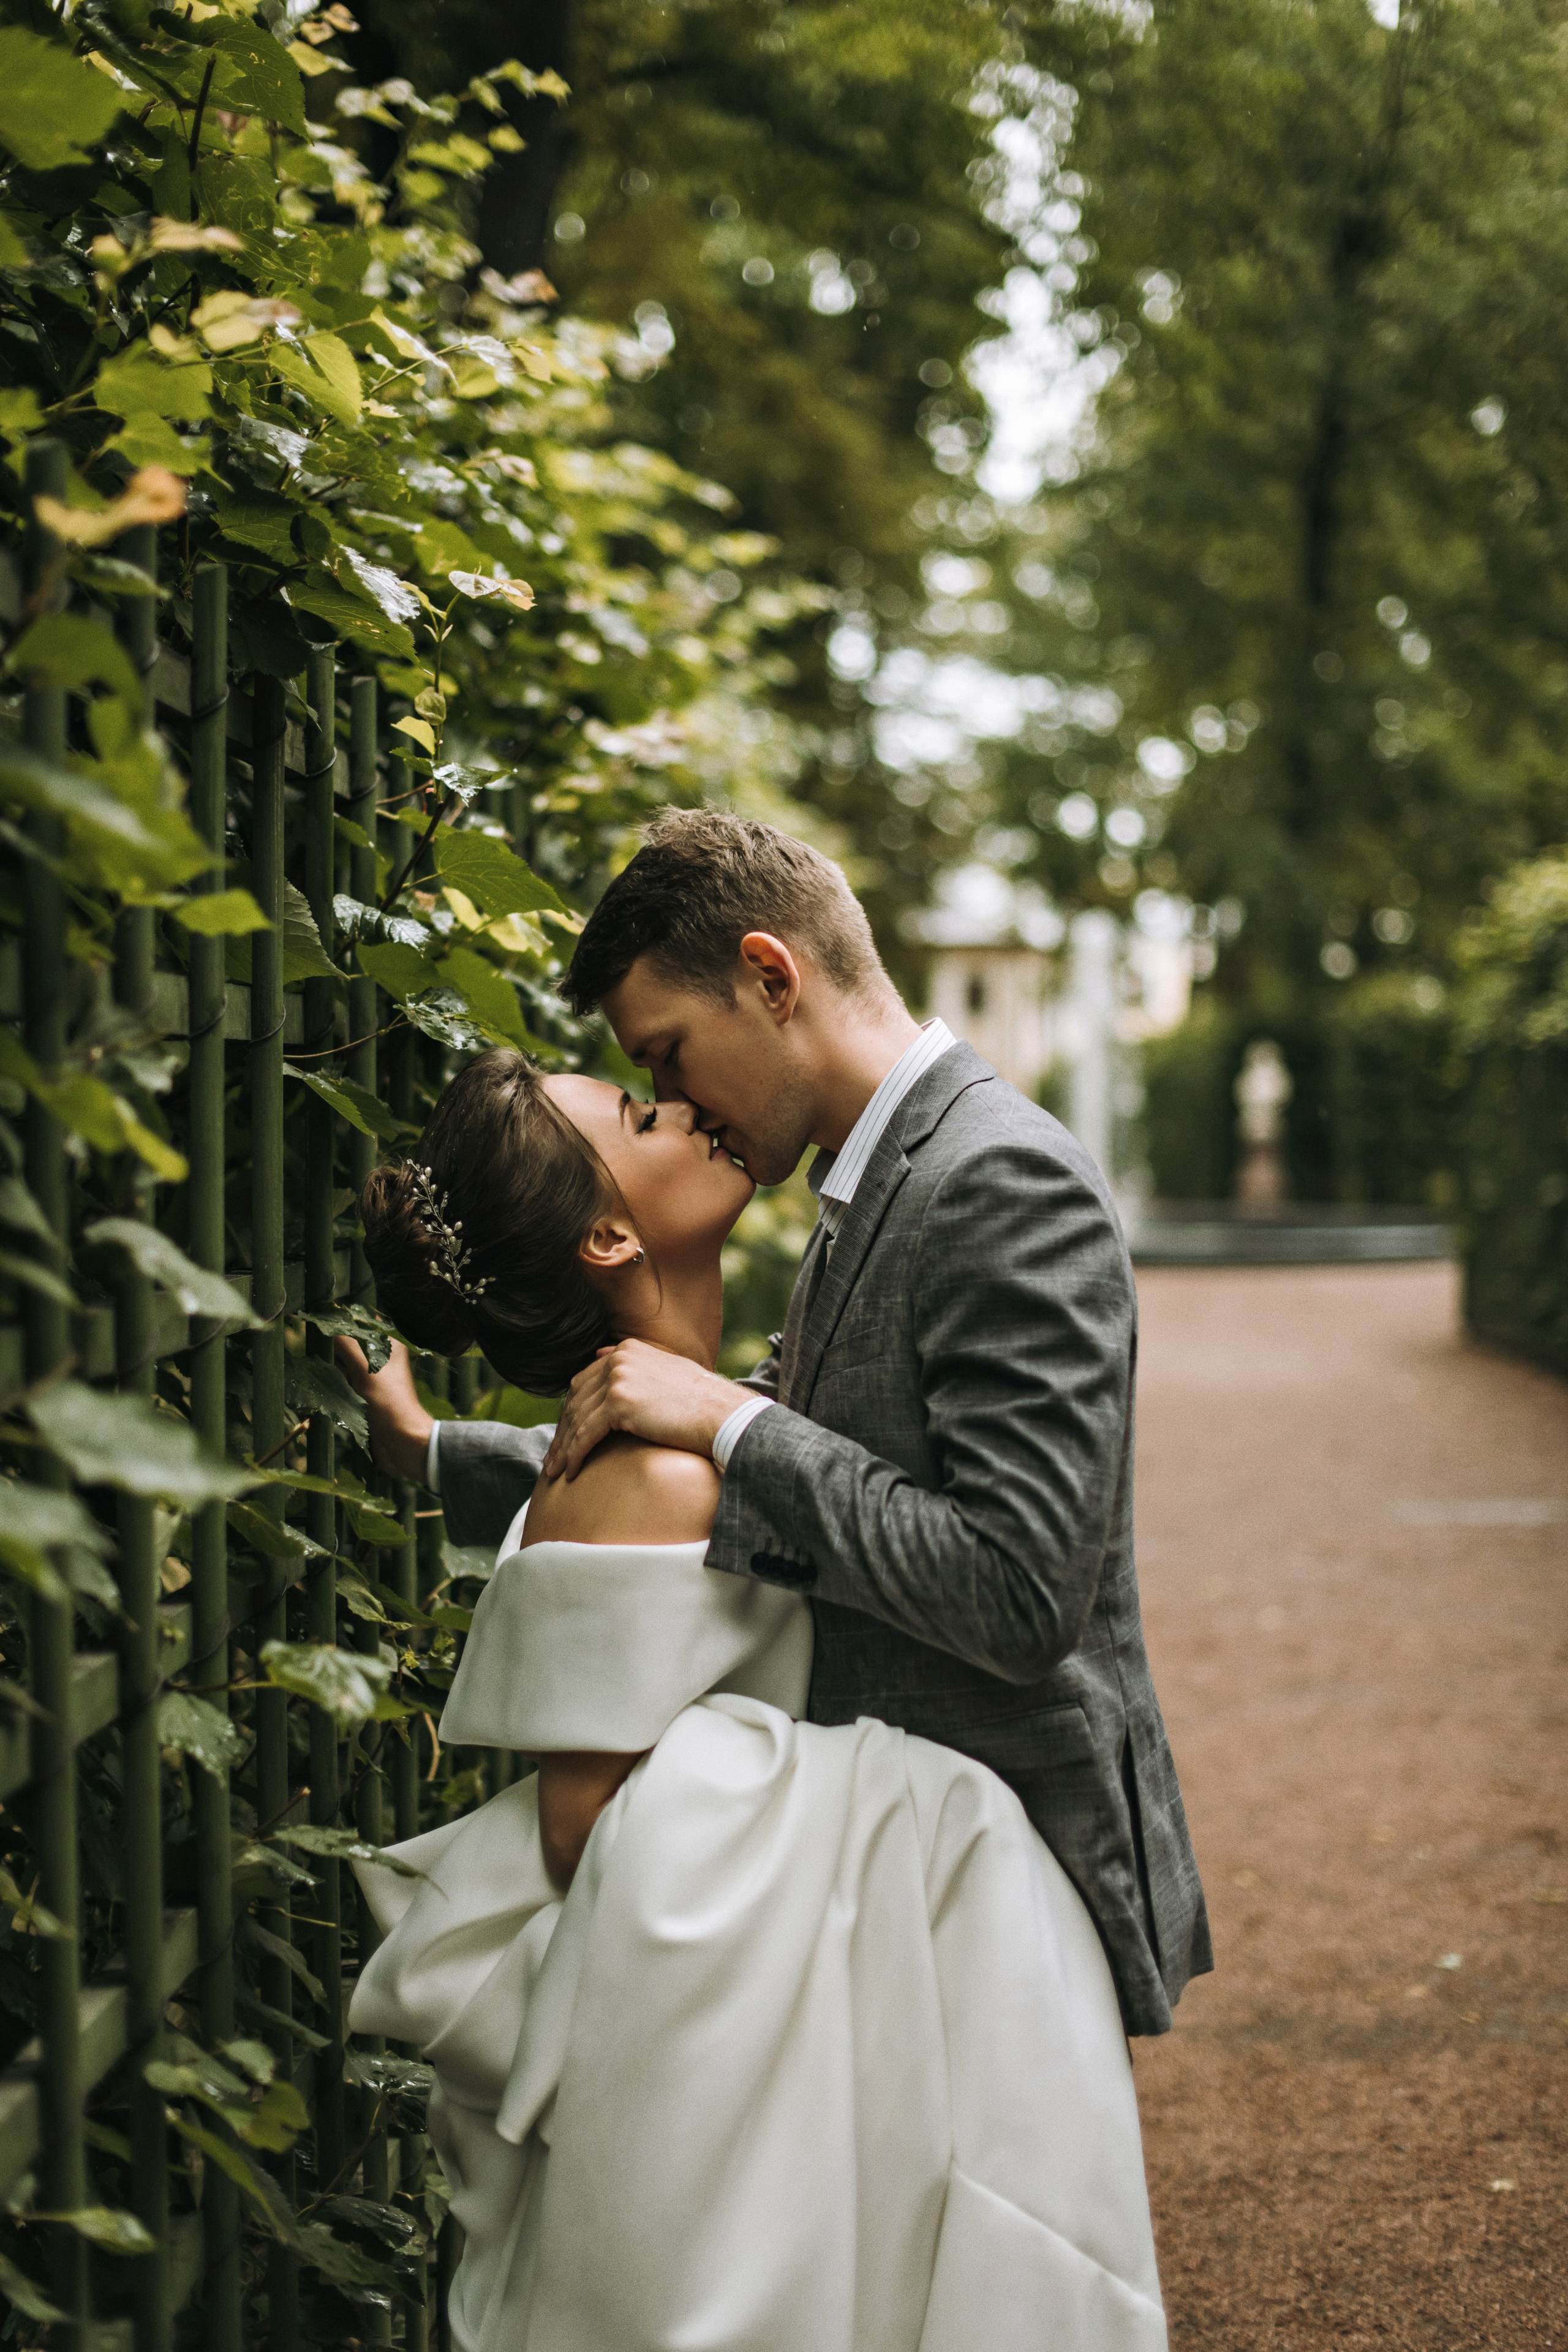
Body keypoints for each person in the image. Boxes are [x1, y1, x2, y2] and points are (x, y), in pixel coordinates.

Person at [343, 808, 1210, 2043]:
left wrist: (730, 1423)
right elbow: (682, 1491)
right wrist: (433, 1456)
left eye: (667, 1054)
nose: (671, 1100)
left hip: (1008, 1866)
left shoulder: (994, 1180)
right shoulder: (866, 1181)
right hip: (891, 1913)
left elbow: (1022, 1594)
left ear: (767, 976)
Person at [345, 1048, 1168, 2350]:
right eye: (636, 1110)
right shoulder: (652, 1479)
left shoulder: (671, 1436)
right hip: (709, 2062)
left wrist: (431, 1448)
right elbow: (580, 1828)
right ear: (610, 1233)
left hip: (745, 2018)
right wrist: (908, 1802)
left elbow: (738, 1467)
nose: (675, 1105)